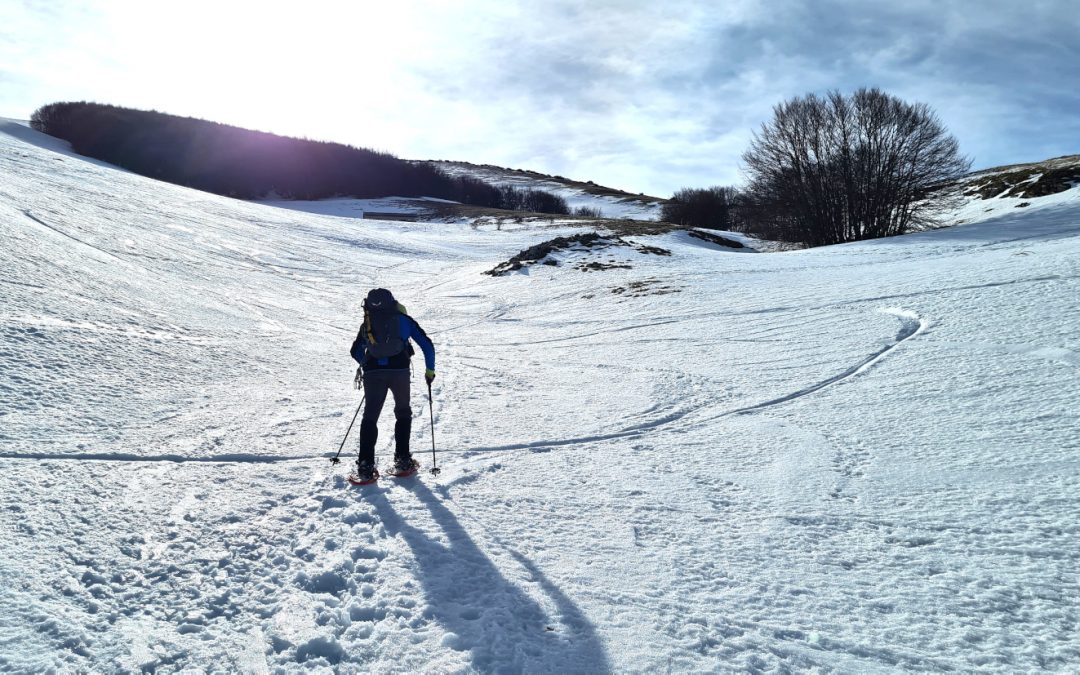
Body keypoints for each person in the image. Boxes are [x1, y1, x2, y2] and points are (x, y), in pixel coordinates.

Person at [349, 288, 435, 480]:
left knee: (370, 417)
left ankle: (365, 466)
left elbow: (355, 351)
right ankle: (403, 460)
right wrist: (430, 371)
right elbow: (427, 344)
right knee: (403, 411)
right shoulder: (404, 320)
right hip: (400, 372)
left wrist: (368, 363)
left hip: (373, 374)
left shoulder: (368, 323)